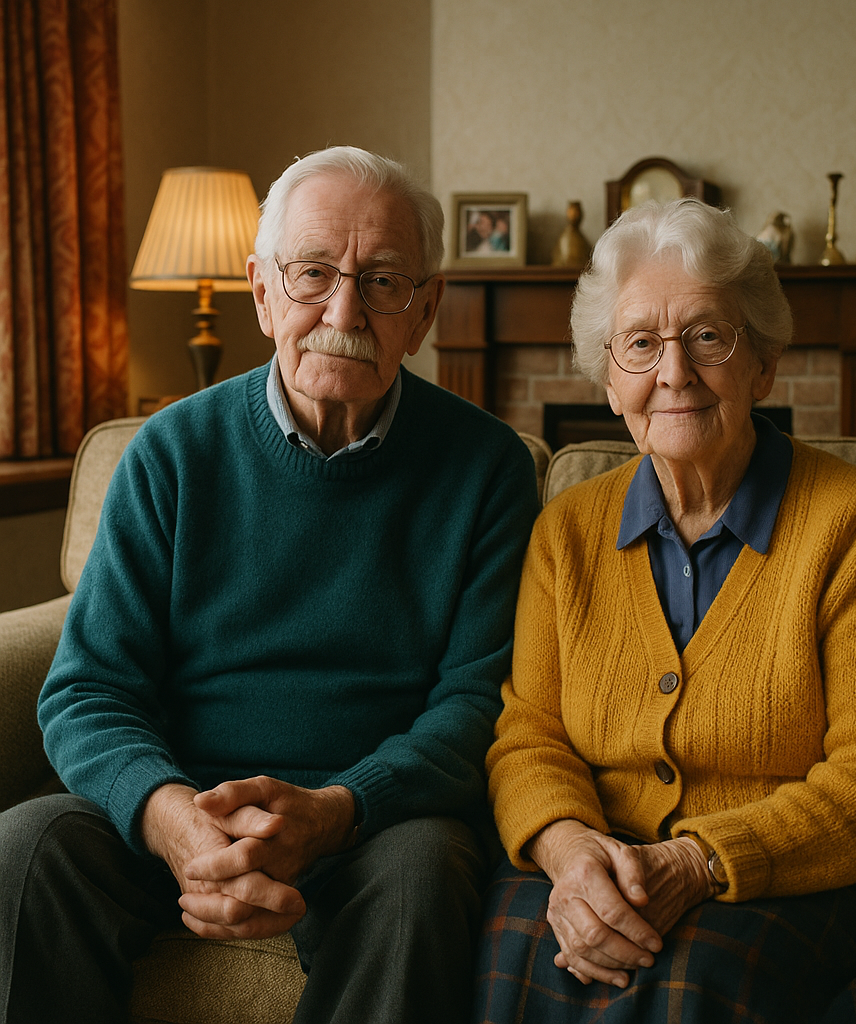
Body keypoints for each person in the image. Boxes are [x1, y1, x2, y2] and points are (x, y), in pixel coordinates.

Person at [0, 146, 538, 1024]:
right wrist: (175, 822)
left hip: (371, 820)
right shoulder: (172, 454)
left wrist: (338, 809)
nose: (343, 310)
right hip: (182, 801)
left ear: (427, 309)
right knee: (25, 845)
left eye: (384, 281)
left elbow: (479, 703)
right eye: (313, 273)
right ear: (260, 293)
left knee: (426, 872)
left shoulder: (487, 472)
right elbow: (88, 689)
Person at [474, 198, 856, 1023]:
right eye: (640, 344)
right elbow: (529, 734)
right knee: (517, 949)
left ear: (763, 366)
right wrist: (569, 853)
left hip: (825, 864)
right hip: (612, 852)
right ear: (608, 379)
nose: (674, 372)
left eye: (708, 336)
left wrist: (696, 860)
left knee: (680, 984)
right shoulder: (566, 532)